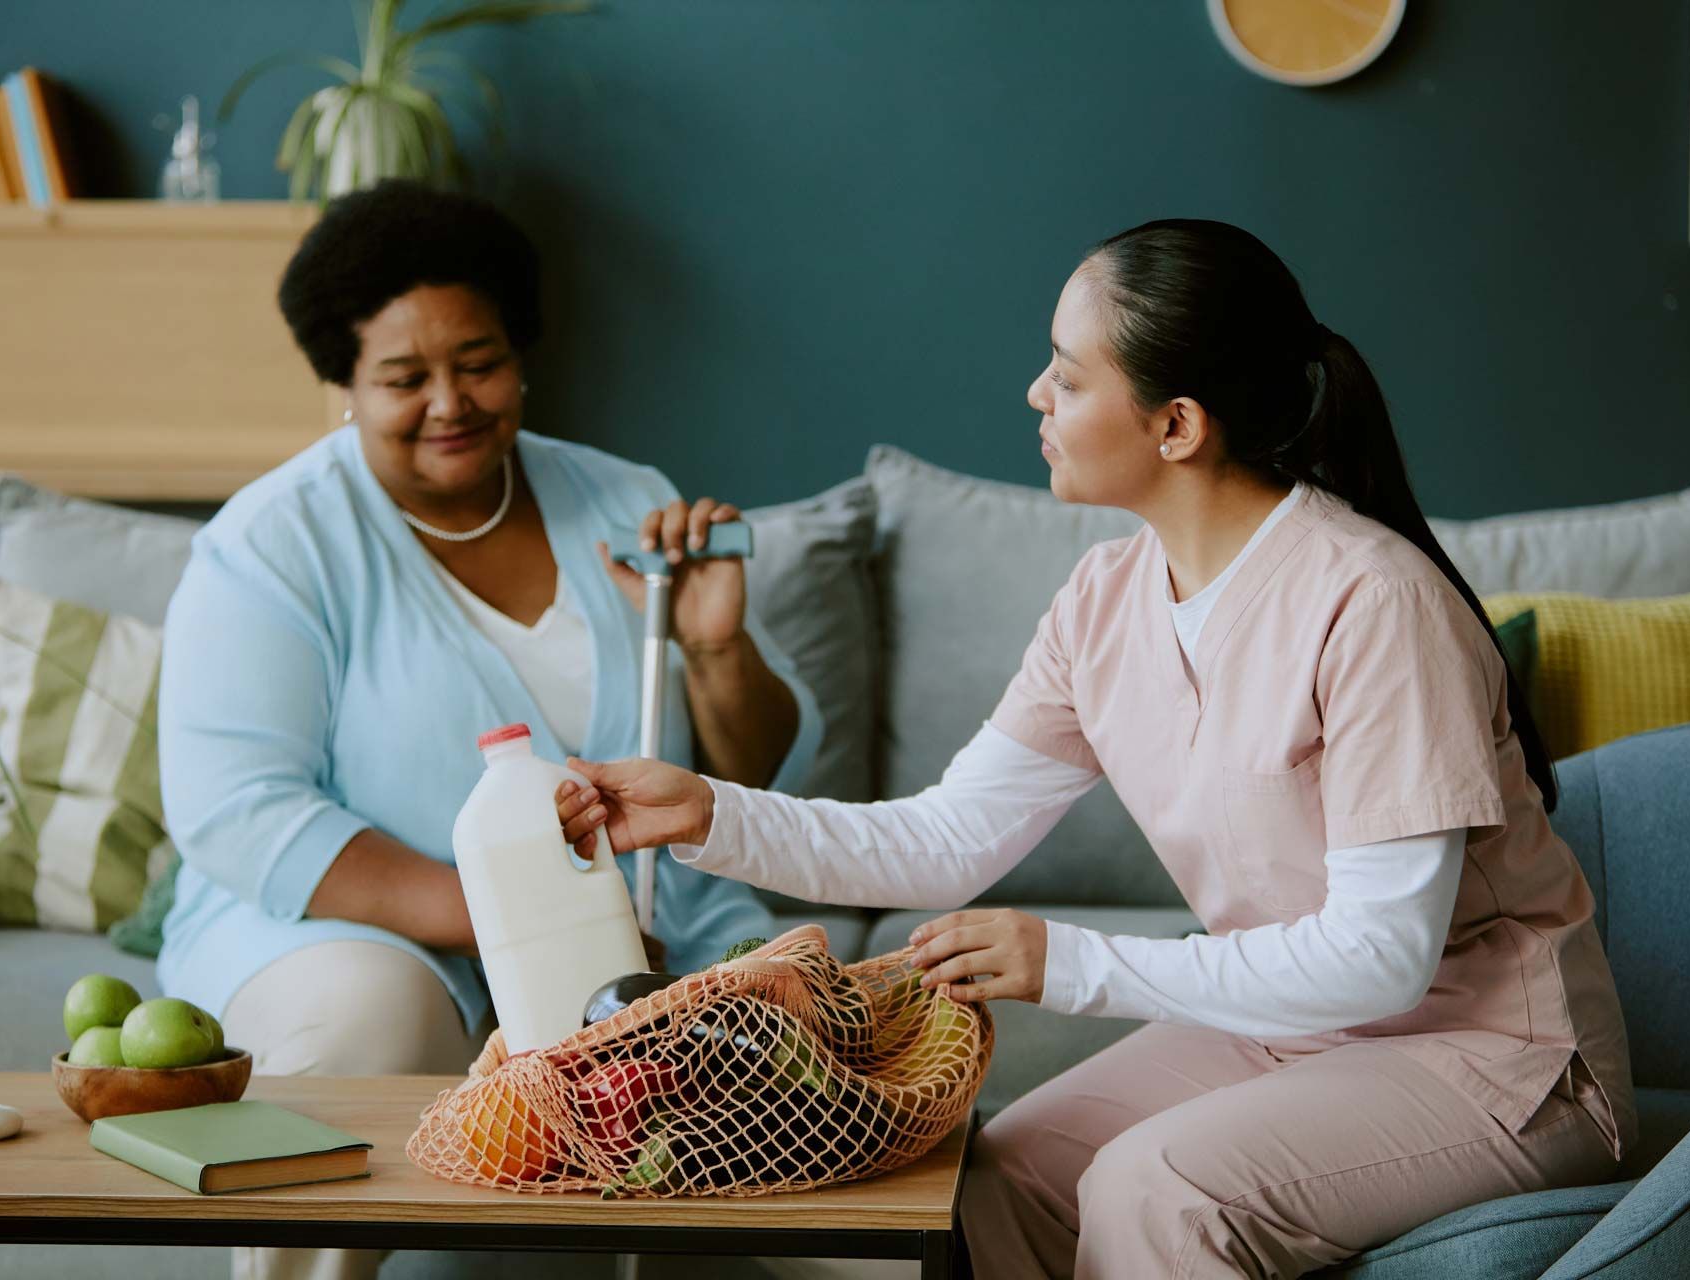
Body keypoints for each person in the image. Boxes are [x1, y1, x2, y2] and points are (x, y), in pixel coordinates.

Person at [554, 220, 1635, 1279]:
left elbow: (1385, 955)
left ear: (1176, 425)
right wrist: (707, 809)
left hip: (1498, 1057)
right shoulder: (1104, 600)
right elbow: (945, 836)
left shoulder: (1375, 601)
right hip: (1296, 1030)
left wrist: (1068, 960)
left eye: (1068, 377)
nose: (1036, 394)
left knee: (1155, 1186)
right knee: (1001, 1168)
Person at [154, 178, 822, 1280]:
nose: (450, 402)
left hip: (658, 929)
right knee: (371, 1012)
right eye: (403, 377)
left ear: (523, 355)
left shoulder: (625, 500)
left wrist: (710, 646)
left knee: (797, 1039)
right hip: (358, 933)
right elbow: (242, 811)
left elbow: (756, 769)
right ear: (345, 382)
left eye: (478, 362)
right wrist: (550, 934)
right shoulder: (272, 546)